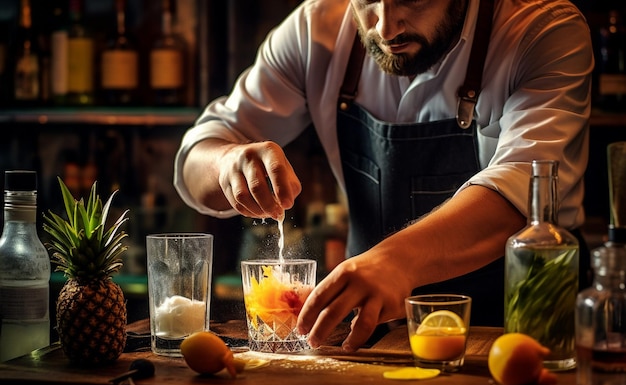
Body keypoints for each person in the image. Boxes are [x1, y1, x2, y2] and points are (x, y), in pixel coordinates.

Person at [174, 0, 594, 352]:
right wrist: (227, 162)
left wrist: (395, 262)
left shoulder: (543, 31)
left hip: (519, 337)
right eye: (367, 0)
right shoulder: (315, 28)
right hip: (370, 345)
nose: (384, 25)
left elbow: (526, 190)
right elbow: (197, 155)